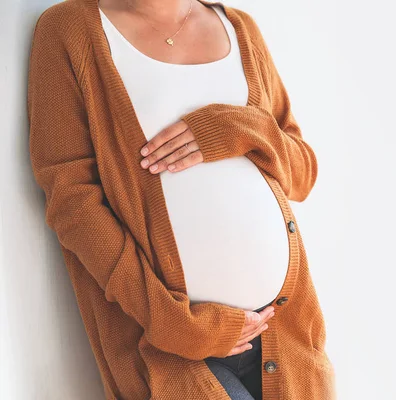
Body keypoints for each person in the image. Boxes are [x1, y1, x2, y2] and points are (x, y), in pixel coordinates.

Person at [27, 0, 335, 399]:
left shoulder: (240, 28)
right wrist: (174, 324)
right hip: (169, 346)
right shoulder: (71, 29)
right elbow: (72, 201)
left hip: (284, 332)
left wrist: (239, 127)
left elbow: (303, 173)